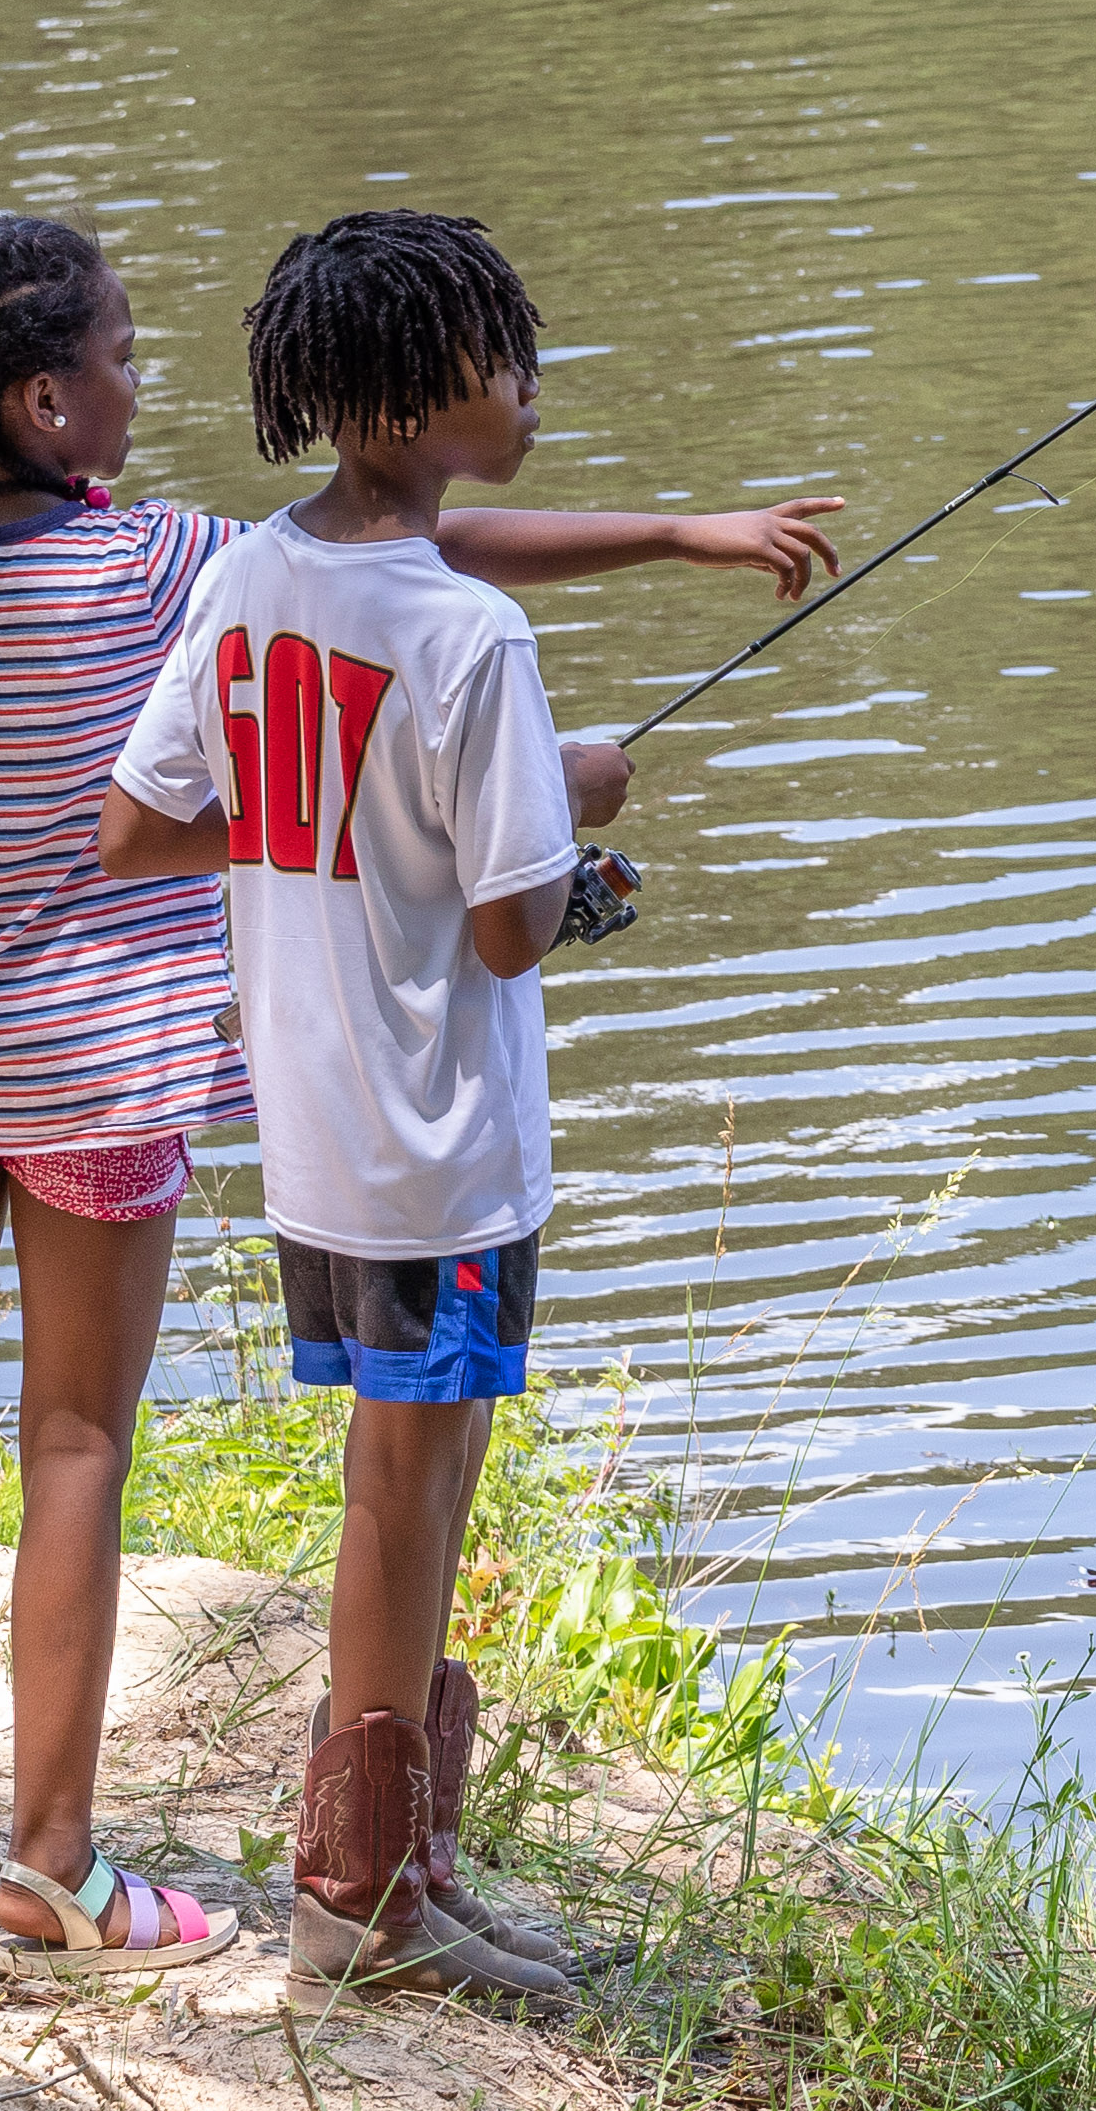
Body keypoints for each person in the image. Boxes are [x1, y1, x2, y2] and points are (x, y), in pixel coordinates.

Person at [0, 209, 831, 1972]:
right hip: (105, 1082)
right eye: (122, 362)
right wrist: (665, 561)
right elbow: (428, 561)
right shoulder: (162, 559)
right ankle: (55, 1854)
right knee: (74, 1442)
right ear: (46, 402)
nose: (142, 386)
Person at [100, 207, 785, 2001]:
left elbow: (147, 818)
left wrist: (383, 808)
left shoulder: (250, 578)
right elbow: (505, 928)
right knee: (410, 1487)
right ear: (412, 401)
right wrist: (574, 805)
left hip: (320, 1130)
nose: (534, 384)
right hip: (440, 1147)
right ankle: (360, 1904)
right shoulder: (475, 639)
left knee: (423, 1467)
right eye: (508, 356)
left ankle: (403, 1858)